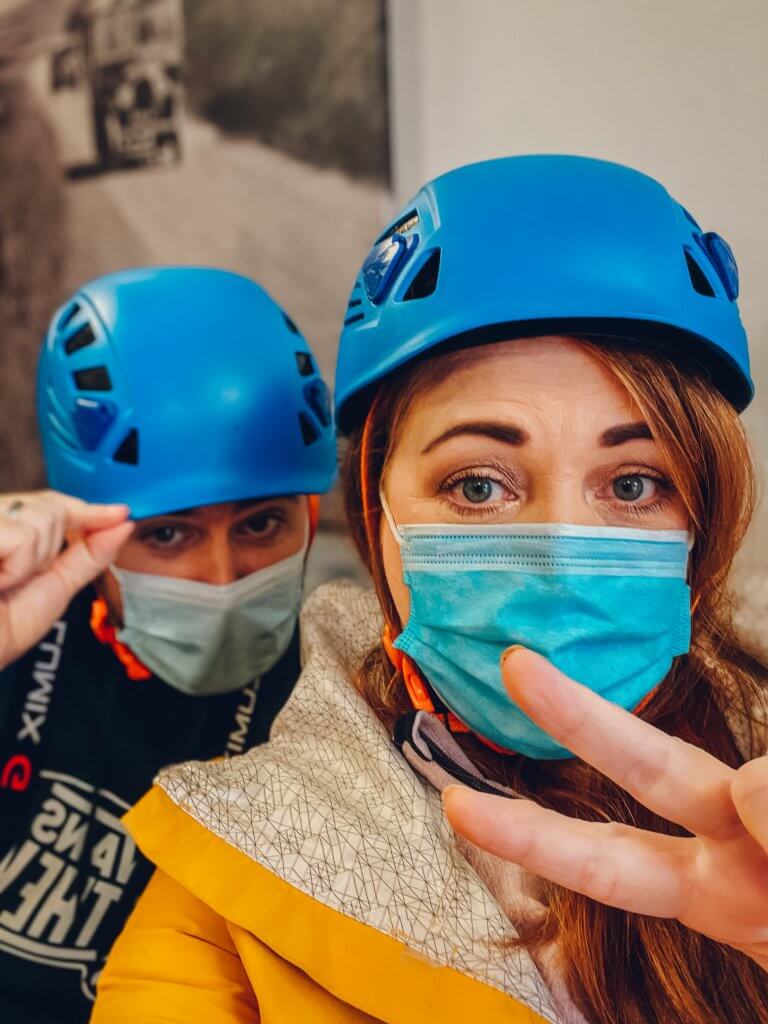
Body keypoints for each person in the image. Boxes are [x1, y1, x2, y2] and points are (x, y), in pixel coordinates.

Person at [93, 158, 768, 1023]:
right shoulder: (228, 896)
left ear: (703, 519)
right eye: (479, 485)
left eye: (632, 485)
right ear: (374, 518)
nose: (561, 556)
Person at [0, 266, 336, 1024]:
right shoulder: (18, 644)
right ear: (92, 529)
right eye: (168, 533)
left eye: (260, 524)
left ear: (310, 514)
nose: (221, 579)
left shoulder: (342, 703)